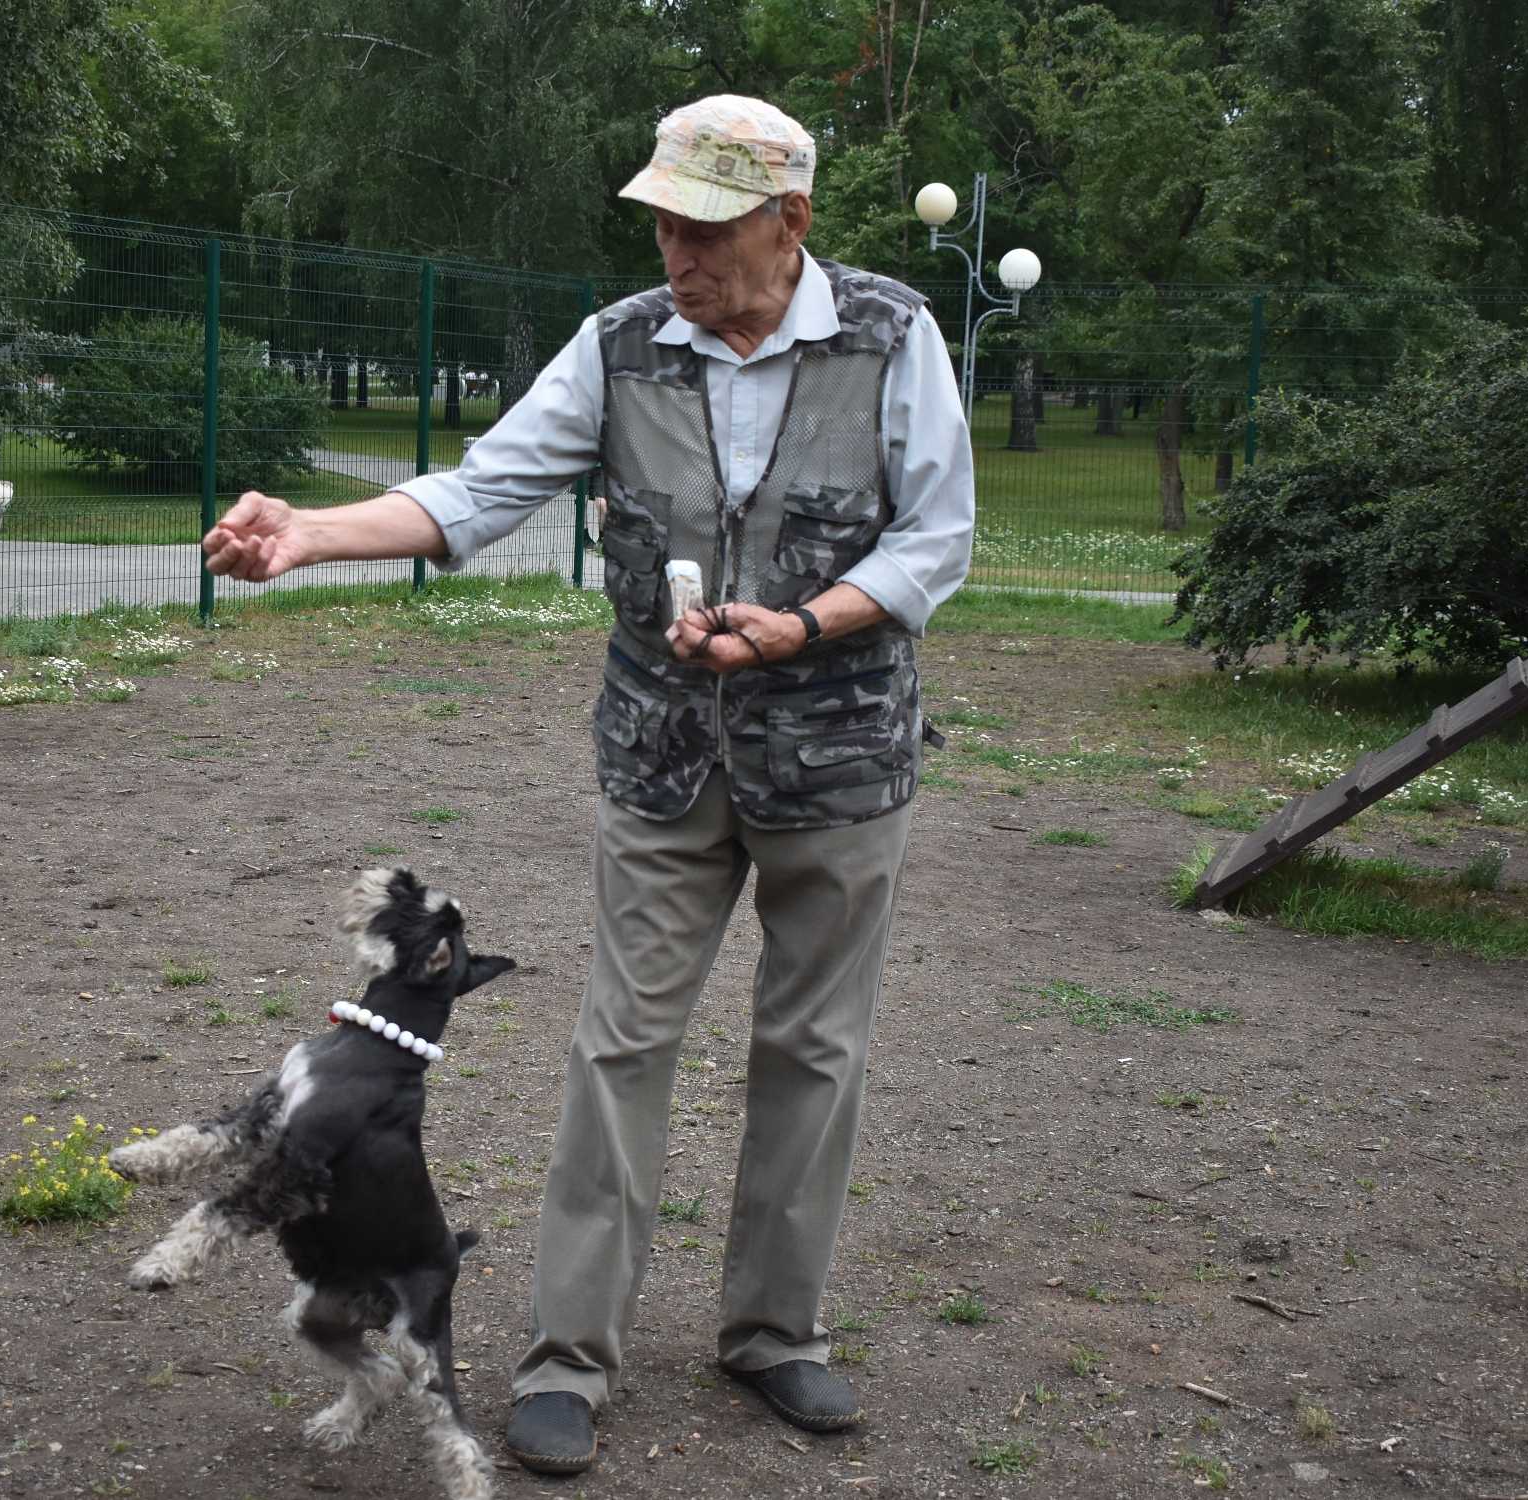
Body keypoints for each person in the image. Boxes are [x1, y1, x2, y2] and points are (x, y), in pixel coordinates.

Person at [201, 95, 974, 1475]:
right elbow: (482, 490)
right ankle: (569, 1356)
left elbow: (940, 537)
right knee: (621, 1047)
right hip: (665, 762)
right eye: (664, 222)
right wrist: (311, 533)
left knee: (814, 1051)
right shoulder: (623, 346)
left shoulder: (894, 335)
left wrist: (803, 624)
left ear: (789, 222)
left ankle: (774, 1335)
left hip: (843, 761)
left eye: (706, 227)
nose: (677, 251)